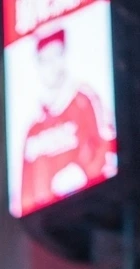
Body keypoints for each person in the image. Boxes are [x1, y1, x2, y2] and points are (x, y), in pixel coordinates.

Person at [19, 24, 116, 217]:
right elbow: (25, 194)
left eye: (56, 56)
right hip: (47, 228)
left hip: (93, 211)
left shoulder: (85, 100)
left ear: (64, 57)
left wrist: (81, 171)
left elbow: (108, 147)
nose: (52, 66)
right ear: (38, 64)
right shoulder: (33, 128)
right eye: (45, 60)